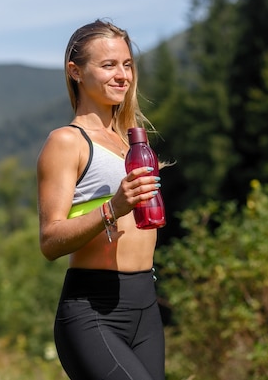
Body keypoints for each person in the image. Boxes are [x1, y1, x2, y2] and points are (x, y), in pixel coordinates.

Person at [36, 19, 166, 380]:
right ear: (75, 72)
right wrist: (114, 207)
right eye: (108, 65)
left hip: (145, 305)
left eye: (127, 64)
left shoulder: (130, 143)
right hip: (92, 312)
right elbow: (50, 241)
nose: (122, 75)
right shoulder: (67, 142)